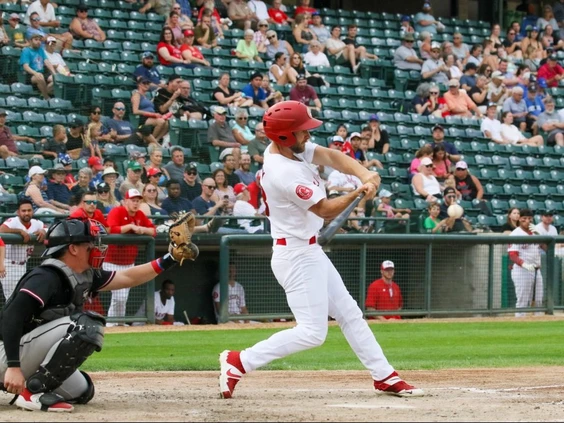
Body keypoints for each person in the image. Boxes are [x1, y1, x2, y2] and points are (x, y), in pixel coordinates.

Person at [218, 100, 424, 399]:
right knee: (313, 333)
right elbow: (325, 209)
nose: (308, 136)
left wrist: (364, 175)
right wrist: (358, 192)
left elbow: (330, 155)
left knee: (350, 314)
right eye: (303, 132)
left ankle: (384, 376)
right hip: (296, 255)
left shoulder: (285, 148)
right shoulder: (283, 171)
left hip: (309, 250)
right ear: (286, 136)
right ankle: (240, 361)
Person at [0, 218, 189, 412]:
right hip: (7, 355)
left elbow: (128, 277)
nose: (97, 247)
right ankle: (32, 394)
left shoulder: (84, 274)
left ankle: (33, 386)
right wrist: (14, 367)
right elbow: (11, 316)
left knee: (83, 391)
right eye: (90, 243)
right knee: (85, 324)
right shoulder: (46, 276)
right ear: (73, 249)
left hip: (27, 352)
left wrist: (171, 258)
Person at [104, 189, 157, 327]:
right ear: (126, 201)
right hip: (112, 262)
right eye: (133, 200)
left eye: (138, 200)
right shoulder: (117, 211)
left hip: (128, 262)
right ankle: (113, 324)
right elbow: (109, 229)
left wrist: (142, 229)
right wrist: (129, 227)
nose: (135, 203)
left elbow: (153, 231)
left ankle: (117, 324)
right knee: (119, 297)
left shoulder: (140, 214)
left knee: (122, 298)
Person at [0, 200, 46, 300]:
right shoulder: (13, 221)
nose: (26, 213)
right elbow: (1, 229)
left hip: (23, 264)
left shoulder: (36, 223)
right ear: (18, 212)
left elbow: (47, 229)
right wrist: (19, 231)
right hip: (9, 265)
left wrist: (43, 231)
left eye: (29, 210)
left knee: (21, 297)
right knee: (12, 298)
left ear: (33, 212)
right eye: (23, 210)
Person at [508, 208, 545, 317]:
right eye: (524, 218)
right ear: (519, 219)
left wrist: (539, 235)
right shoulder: (516, 234)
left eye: (529, 219)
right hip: (521, 270)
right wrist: (524, 264)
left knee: (538, 300)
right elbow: (512, 255)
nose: (527, 221)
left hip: (537, 270)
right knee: (523, 300)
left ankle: (538, 325)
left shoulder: (535, 232)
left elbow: (547, 247)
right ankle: (519, 323)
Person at [19, 33, 55, 100]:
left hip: (42, 72)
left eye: (40, 40)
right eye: (36, 40)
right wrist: (35, 73)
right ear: (30, 41)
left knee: (56, 79)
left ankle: (43, 93)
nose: (38, 42)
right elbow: (25, 66)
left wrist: (54, 73)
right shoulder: (26, 51)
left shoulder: (41, 50)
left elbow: (47, 62)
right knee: (39, 77)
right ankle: (46, 98)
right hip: (30, 74)